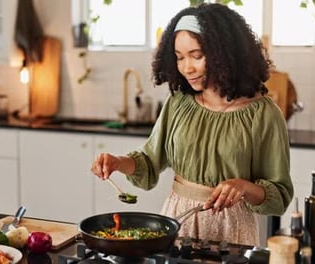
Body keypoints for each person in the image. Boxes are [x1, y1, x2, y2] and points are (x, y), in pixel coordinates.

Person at [90, 3, 293, 246]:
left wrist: (242, 187)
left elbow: (279, 195)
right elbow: (149, 162)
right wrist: (118, 162)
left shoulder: (264, 114)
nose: (187, 67)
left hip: (232, 230)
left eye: (197, 56)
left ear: (224, 53)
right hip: (177, 222)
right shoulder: (179, 103)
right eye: (179, 58)